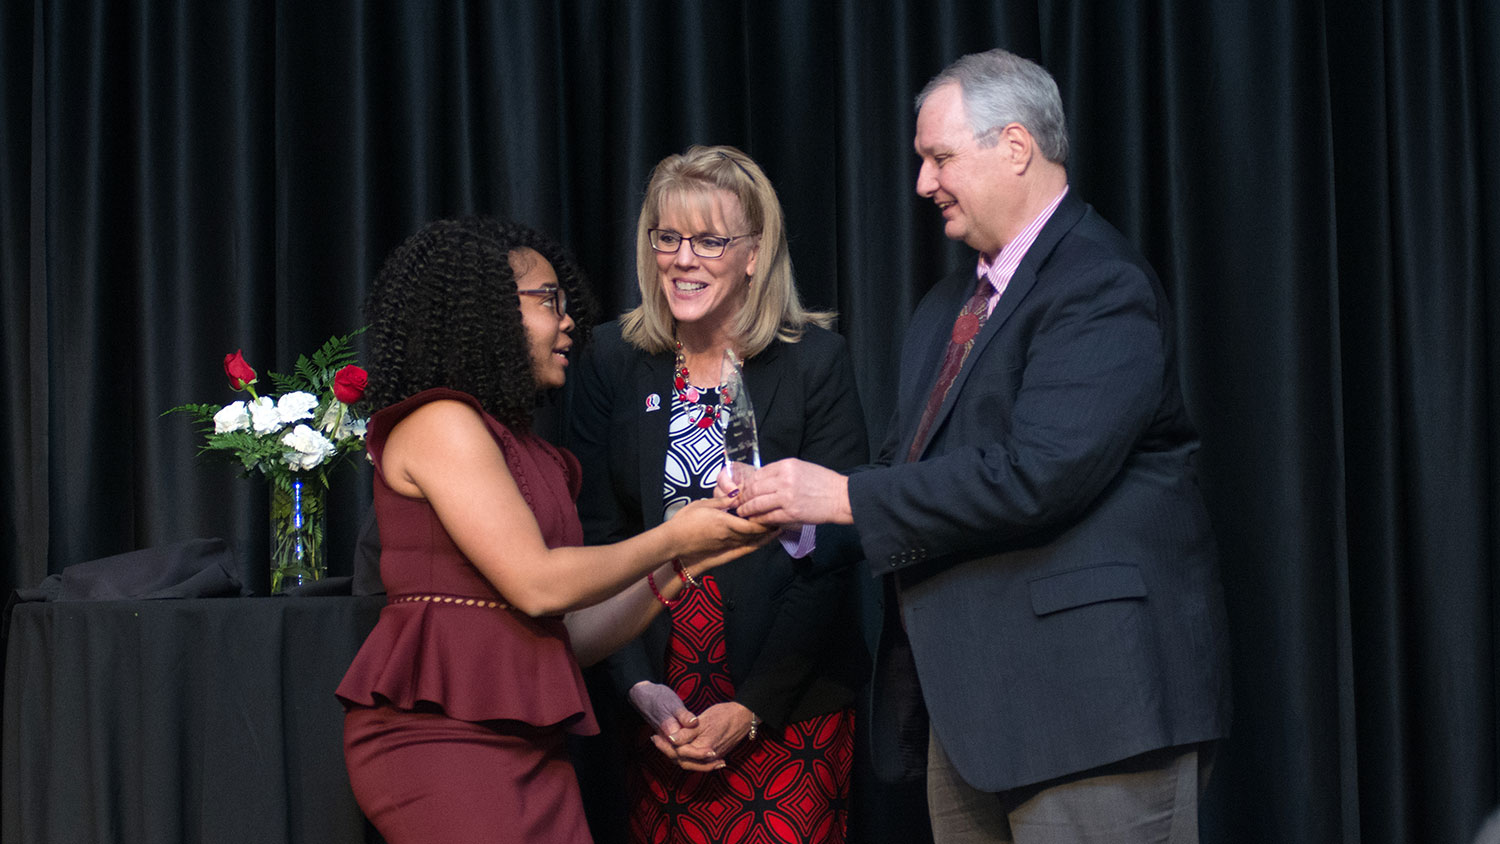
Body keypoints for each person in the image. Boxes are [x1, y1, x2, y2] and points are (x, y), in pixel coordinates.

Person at [733, 50, 1231, 843]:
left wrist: (844, 496)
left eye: (939, 158)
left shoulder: (1100, 284)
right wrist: (791, 516)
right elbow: (910, 473)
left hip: (1089, 711)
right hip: (972, 721)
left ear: (1015, 147)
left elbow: (1042, 473)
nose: (924, 183)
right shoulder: (946, 306)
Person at [335, 216, 771, 844]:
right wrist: (676, 533)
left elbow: (570, 633)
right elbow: (540, 585)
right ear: (483, 310)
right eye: (548, 302)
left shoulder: (531, 453)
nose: (569, 323)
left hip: (527, 743)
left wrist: (691, 563)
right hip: (439, 738)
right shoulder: (441, 422)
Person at [567, 144, 870, 844]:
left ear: (754, 255)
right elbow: (596, 537)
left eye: (709, 240)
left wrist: (753, 706)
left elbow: (835, 548)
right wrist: (636, 686)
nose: (682, 258)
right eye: (667, 237)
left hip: (789, 700)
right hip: (658, 702)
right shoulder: (613, 358)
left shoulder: (815, 361)